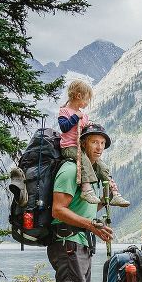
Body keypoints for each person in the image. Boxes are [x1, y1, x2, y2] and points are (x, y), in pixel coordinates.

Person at [49, 123, 114, 282]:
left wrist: (103, 203)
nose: (99, 147)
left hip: (79, 243)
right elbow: (58, 210)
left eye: (103, 143)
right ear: (83, 142)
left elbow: (81, 209)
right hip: (68, 243)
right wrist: (91, 226)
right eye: (94, 141)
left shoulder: (89, 174)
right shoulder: (70, 170)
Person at [58, 79, 129, 207]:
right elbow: (64, 127)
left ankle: (114, 192)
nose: (87, 103)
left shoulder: (83, 115)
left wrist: (88, 124)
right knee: (83, 160)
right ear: (78, 96)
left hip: (80, 146)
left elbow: (83, 130)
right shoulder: (65, 111)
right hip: (69, 147)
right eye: (86, 99)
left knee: (101, 165)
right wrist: (75, 117)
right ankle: (86, 188)